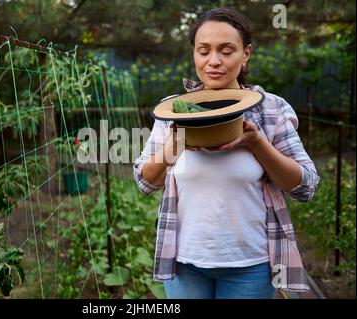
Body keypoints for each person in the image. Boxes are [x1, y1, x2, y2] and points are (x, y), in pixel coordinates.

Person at [133, 7, 320, 299]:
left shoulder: (271, 108)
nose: (214, 61)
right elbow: (145, 181)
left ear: (246, 54)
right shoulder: (173, 109)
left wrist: (256, 142)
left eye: (226, 50)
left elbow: (305, 186)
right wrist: (176, 141)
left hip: (252, 264)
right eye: (203, 50)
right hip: (184, 262)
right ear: (194, 53)